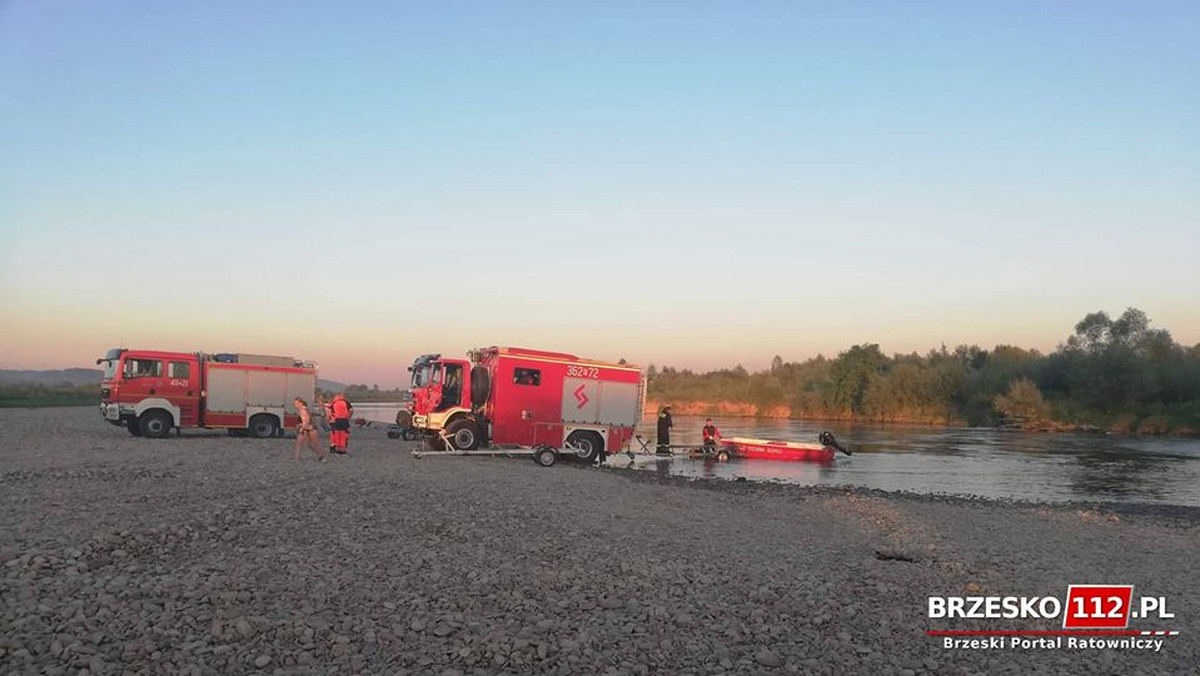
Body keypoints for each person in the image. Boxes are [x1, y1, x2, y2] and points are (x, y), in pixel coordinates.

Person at [293, 398, 326, 462]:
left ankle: (321, 456)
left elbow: (307, 420)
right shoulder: (304, 409)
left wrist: (302, 427)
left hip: (310, 428)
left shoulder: (303, 410)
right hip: (309, 428)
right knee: (305, 444)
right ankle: (296, 458)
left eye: (296, 403)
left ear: (300, 403)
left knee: (313, 443)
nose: (295, 405)